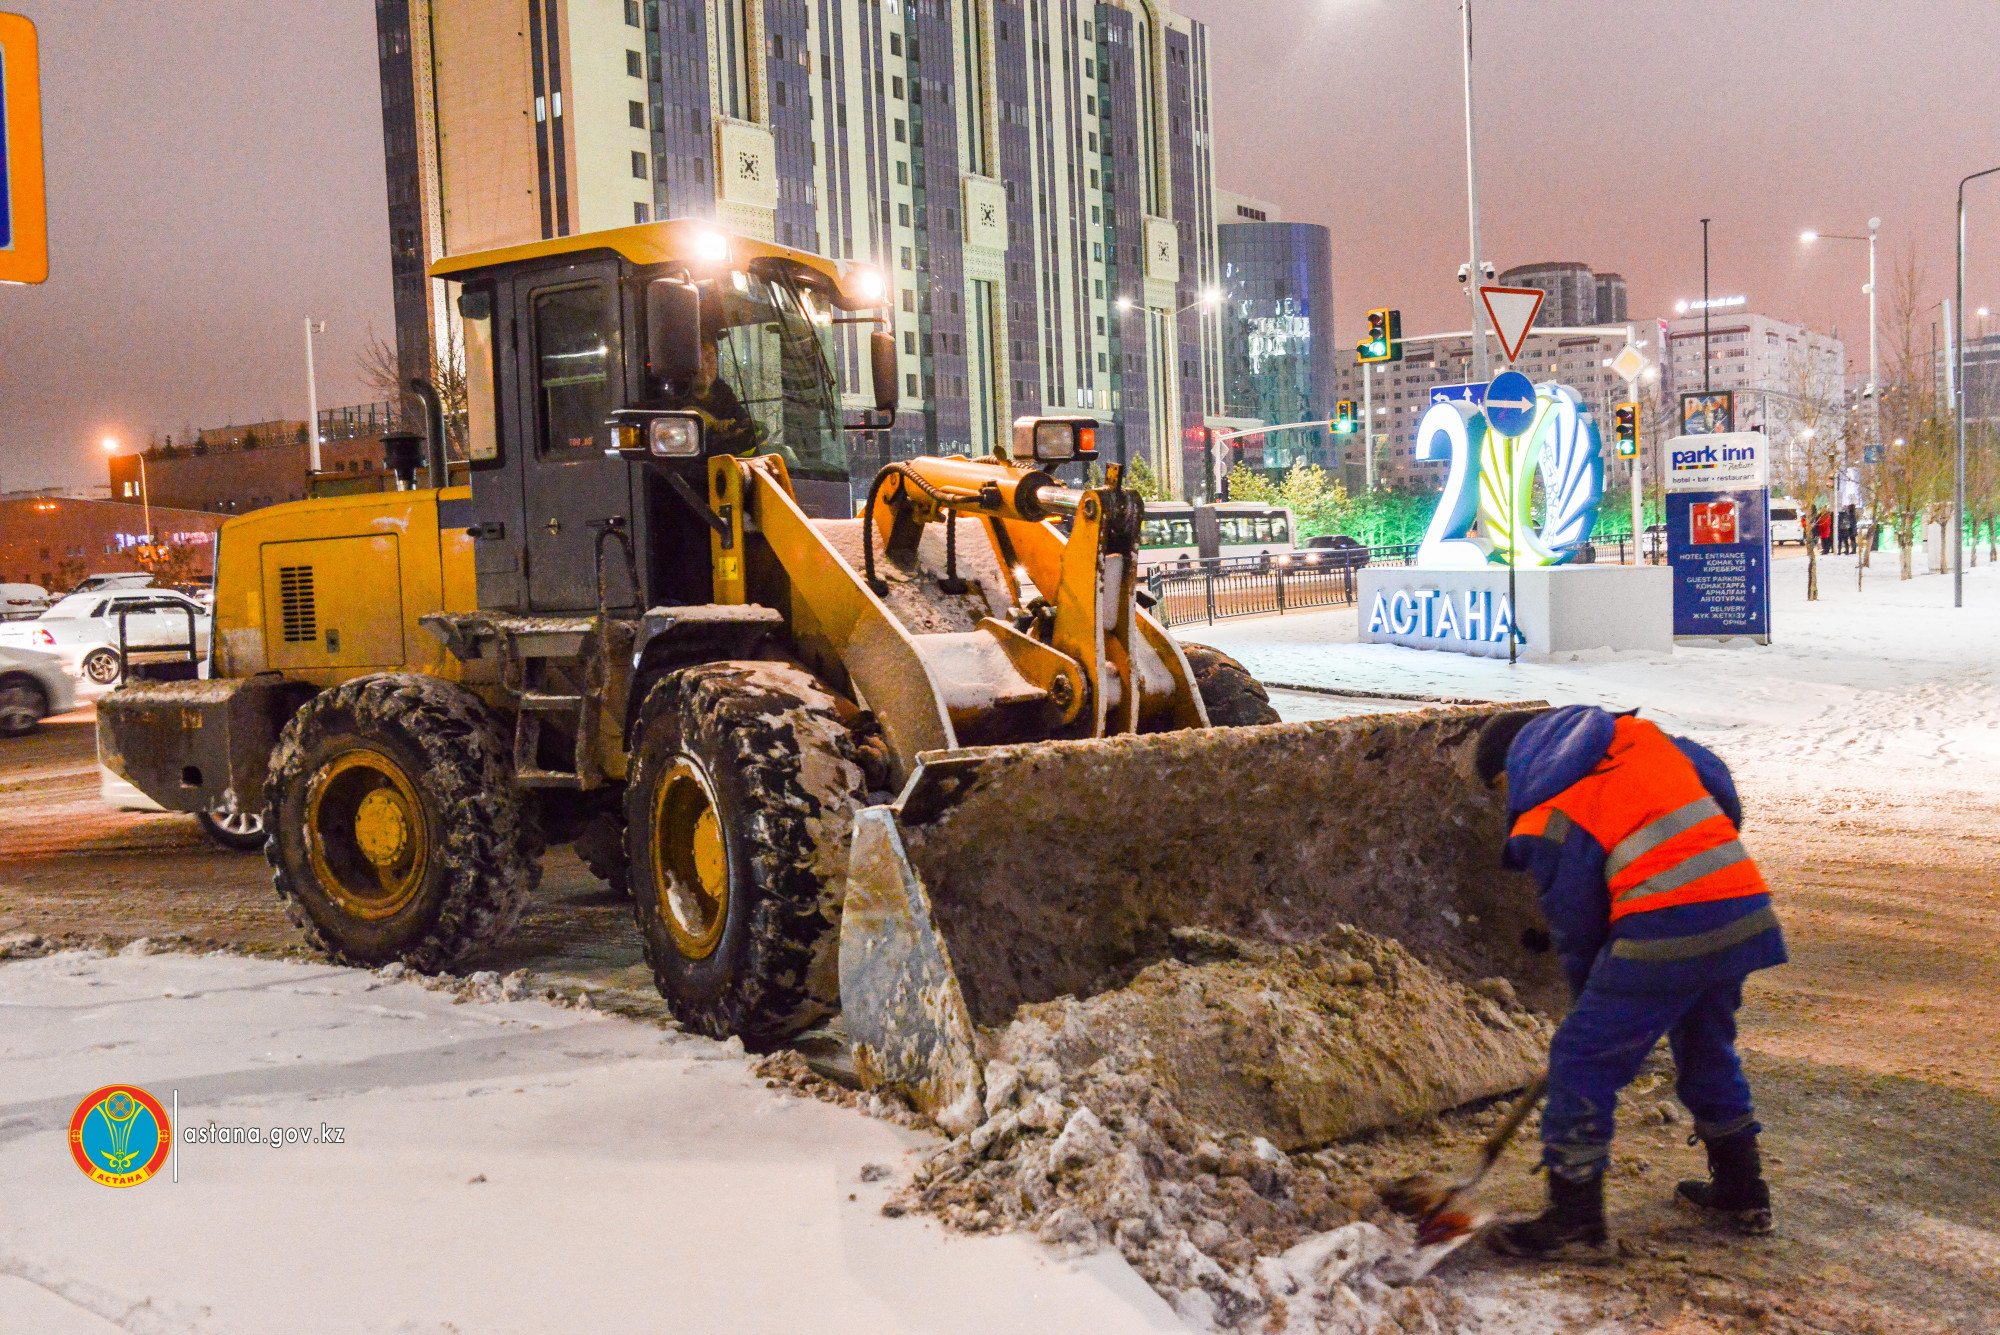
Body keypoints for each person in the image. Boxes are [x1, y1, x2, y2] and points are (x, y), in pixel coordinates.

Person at [1474, 706, 1786, 1258]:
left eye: (1500, 786)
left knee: (1581, 1059)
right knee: (1706, 1046)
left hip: (1665, 922)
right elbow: (1716, 782)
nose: (1507, 798)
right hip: (1740, 906)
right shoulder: (1638, 738)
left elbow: (1580, 926)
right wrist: (1701, 859)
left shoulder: (1546, 815)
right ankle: (1742, 1188)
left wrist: (1587, 1004)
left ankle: (1575, 1222)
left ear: (1515, 762)